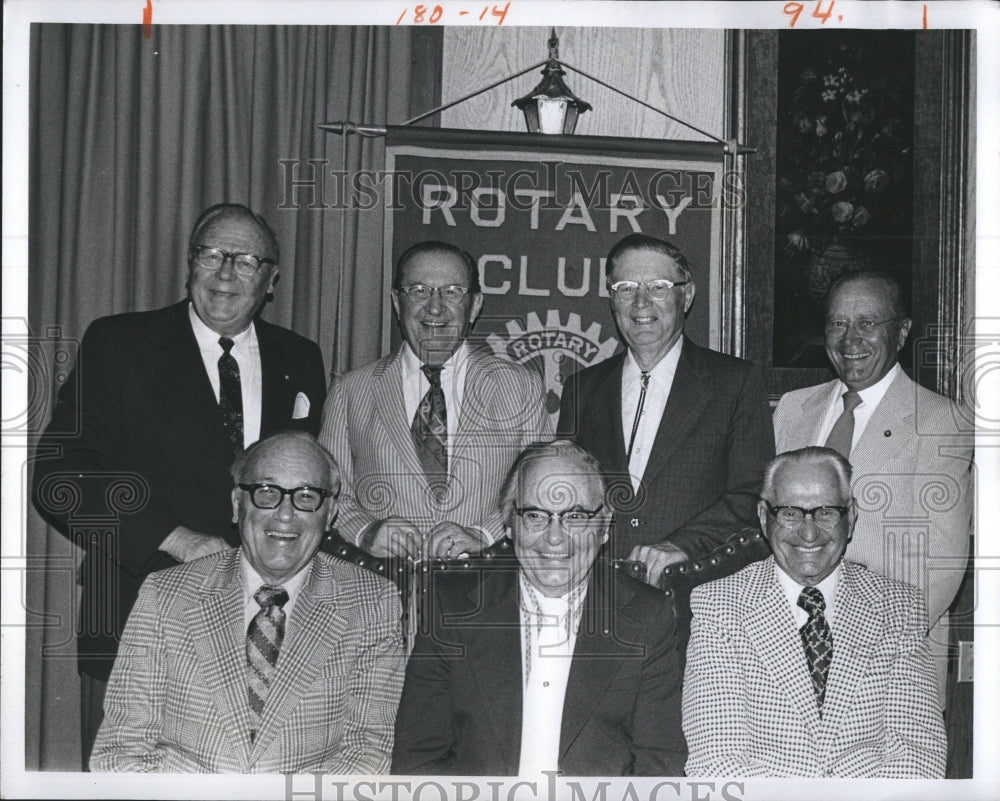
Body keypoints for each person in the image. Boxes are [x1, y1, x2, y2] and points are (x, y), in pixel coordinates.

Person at [31, 202, 327, 766]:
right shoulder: (119, 343)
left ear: (272, 280)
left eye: (244, 260)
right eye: (210, 254)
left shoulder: (301, 357)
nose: (224, 273)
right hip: (139, 616)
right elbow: (59, 475)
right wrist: (176, 538)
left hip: (267, 632)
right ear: (189, 263)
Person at [89, 432, 405, 773]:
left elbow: (368, 751)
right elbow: (122, 750)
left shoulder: (373, 602)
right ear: (238, 505)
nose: (286, 514)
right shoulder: (165, 595)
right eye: (267, 493)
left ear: (330, 513)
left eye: (306, 495)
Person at [391, 440, 687, 776]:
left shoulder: (648, 617)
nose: (554, 538)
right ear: (508, 525)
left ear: (604, 525)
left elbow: (659, 763)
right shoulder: (452, 609)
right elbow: (417, 759)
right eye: (535, 515)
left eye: (575, 516)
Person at [683, 446, 946, 778]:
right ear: (765, 518)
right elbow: (716, 761)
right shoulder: (720, 606)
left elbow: (918, 754)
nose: (809, 533)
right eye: (790, 513)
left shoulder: (898, 607)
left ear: (850, 517)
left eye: (826, 512)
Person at [772, 271, 973, 701]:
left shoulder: (942, 423)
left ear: (901, 332)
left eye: (867, 323)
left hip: (889, 669)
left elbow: (940, 567)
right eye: (837, 323)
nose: (850, 339)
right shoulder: (791, 410)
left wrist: (852, 653)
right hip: (783, 662)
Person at [557, 233, 774, 585]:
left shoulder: (735, 383)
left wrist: (682, 545)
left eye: (658, 287)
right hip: (596, 592)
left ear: (685, 295)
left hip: (696, 591)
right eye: (625, 288)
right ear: (612, 299)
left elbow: (754, 495)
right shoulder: (581, 389)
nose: (641, 303)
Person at [320, 240, 551, 562]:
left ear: (475, 305)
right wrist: (365, 530)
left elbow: (541, 488)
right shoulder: (350, 390)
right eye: (418, 290)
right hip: (378, 587)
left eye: (452, 291)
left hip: (486, 585)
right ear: (397, 303)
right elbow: (327, 490)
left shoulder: (520, 386)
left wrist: (484, 534)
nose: (435, 307)